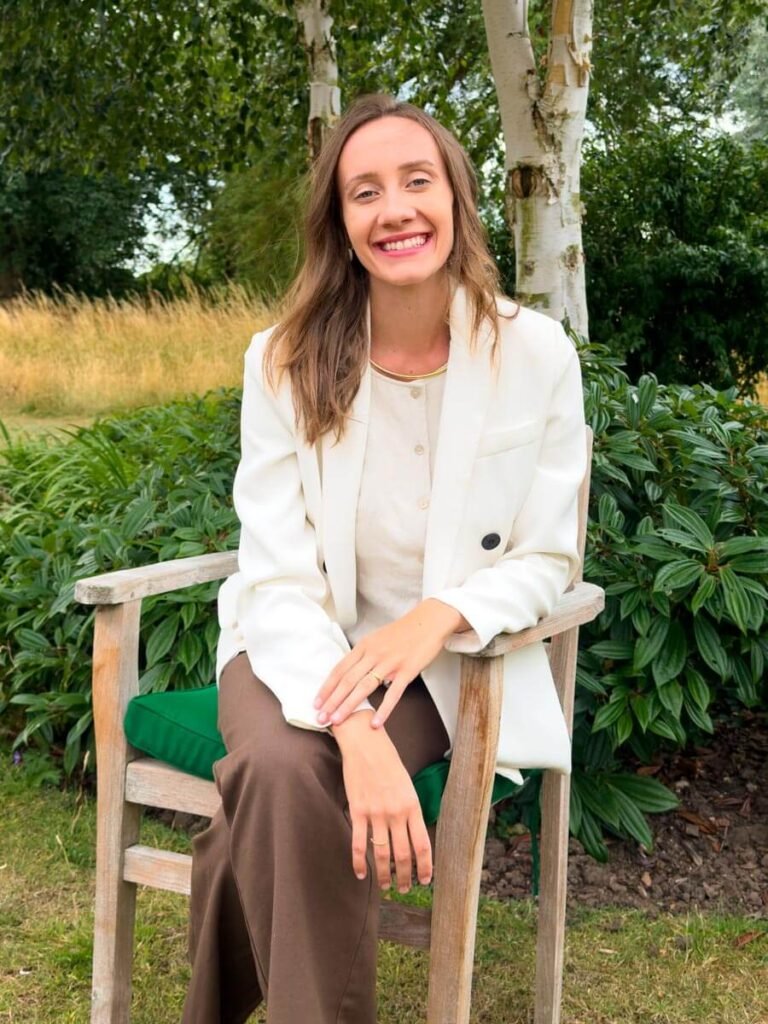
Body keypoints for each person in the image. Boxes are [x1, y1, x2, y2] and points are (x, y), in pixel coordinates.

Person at [181, 93, 587, 1024]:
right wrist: (359, 736)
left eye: (416, 181)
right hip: (287, 642)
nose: (395, 209)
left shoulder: (535, 354)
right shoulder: (282, 360)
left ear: (456, 198)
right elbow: (277, 574)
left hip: (435, 668)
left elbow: (547, 557)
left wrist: (437, 617)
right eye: (365, 192)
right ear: (341, 224)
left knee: (266, 792)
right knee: (287, 770)